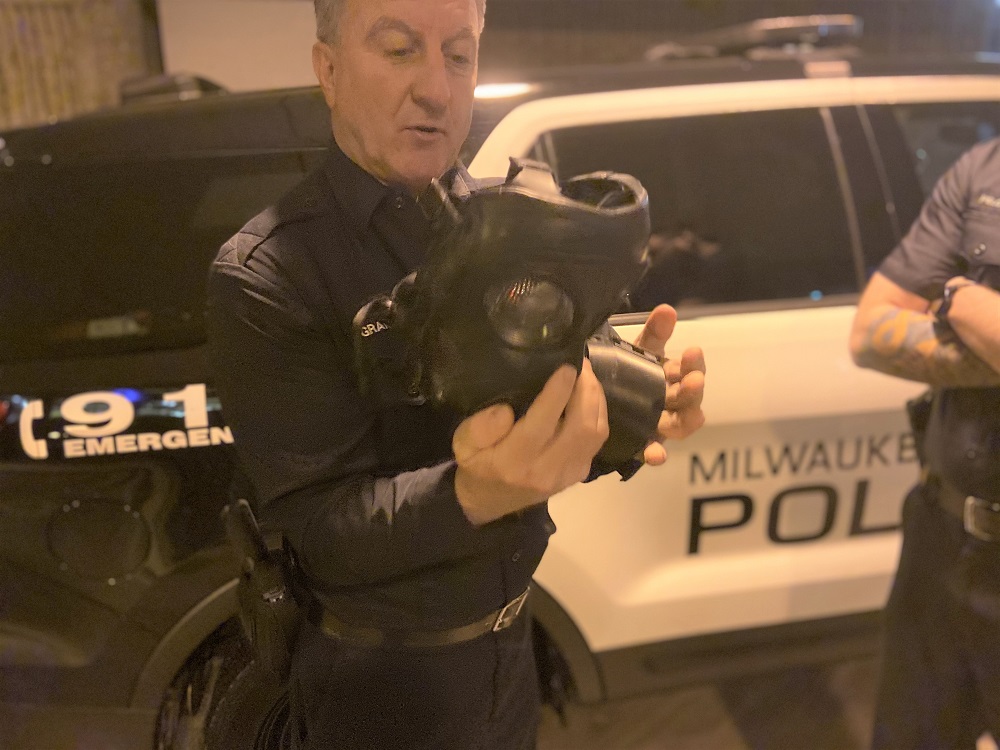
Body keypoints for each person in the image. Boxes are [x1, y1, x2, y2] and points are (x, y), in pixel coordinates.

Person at [205, 0, 706, 748]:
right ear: (330, 71)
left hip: (510, 650)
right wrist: (477, 492)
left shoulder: (514, 225)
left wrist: (638, 410)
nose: (437, 89)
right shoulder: (268, 272)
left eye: (460, 55)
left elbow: (555, 395)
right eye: (401, 50)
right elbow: (318, 529)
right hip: (376, 690)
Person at [849, 137, 1000, 749]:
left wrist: (957, 296)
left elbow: (908, 313)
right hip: (940, 540)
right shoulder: (984, 169)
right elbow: (868, 332)